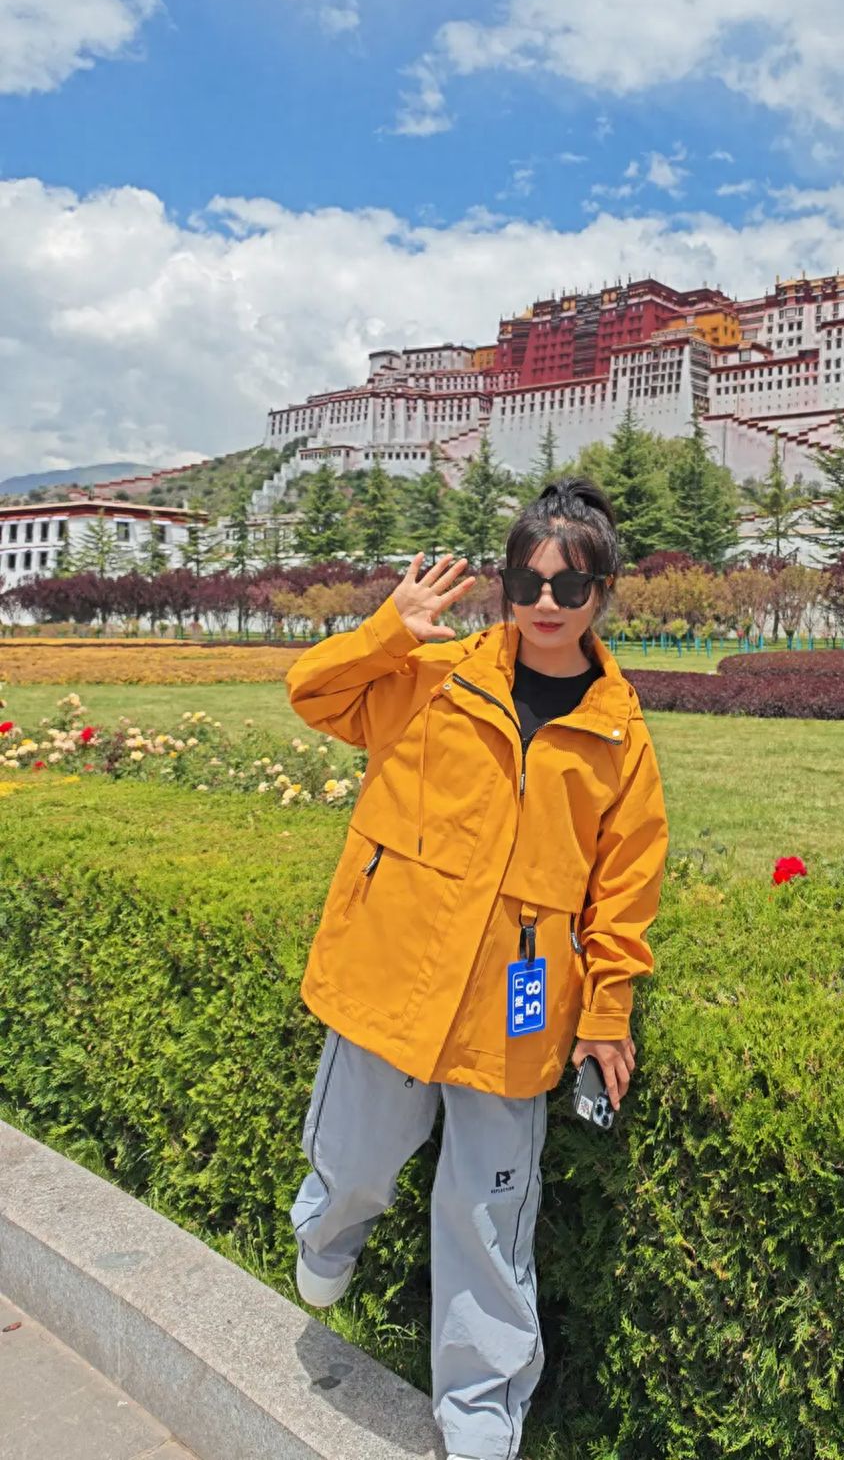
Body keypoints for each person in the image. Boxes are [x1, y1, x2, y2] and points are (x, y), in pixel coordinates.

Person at [284, 477, 668, 1460]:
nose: (545, 602)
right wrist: (387, 631)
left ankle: (481, 1410)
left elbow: (625, 887)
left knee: (488, 1215)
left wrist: (607, 1012)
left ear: (602, 593)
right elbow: (312, 694)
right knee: (354, 1163)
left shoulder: (618, 735)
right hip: (392, 975)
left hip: (515, 1007)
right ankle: (325, 1232)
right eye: (525, 581)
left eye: (569, 586)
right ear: (503, 585)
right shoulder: (433, 675)